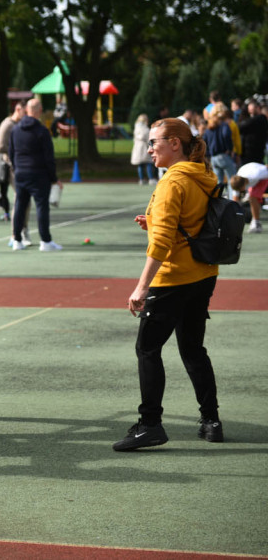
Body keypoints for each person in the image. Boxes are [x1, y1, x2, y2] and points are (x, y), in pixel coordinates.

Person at [117, 117, 224, 451]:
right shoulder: (204, 174)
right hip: (203, 273)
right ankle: (211, 420)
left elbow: (161, 244)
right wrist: (155, 220)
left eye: (154, 142)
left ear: (175, 143)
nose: (149, 149)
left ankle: (150, 424)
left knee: (147, 348)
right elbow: (191, 218)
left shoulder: (171, 183)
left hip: (173, 278)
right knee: (193, 348)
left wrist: (141, 286)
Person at [8, 98, 63, 251]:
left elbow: (11, 152)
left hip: (20, 173)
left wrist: (17, 167)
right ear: (39, 111)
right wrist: (53, 178)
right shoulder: (42, 131)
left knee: (20, 206)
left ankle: (17, 240)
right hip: (38, 174)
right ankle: (45, 241)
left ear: (26, 110)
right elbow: (48, 158)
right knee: (41, 207)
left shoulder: (16, 129)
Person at [0, 101, 30, 245]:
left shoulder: (20, 125)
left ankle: (23, 230)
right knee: (21, 199)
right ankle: (17, 233)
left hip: (21, 165)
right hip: (11, 166)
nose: (26, 115)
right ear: (18, 109)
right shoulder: (8, 125)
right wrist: (18, 151)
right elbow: (0, 147)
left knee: (25, 199)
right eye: (25, 111)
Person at [231, 162, 268, 234]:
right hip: (251, 171)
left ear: (244, 185)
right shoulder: (237, 180)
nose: (240, 192)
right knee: (251, 198)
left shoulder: (257, 174)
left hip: (263, 176)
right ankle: (256, 221)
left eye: (240, 190)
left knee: (252, 197)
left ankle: (256, 224)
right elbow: (235, 200)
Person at [205, 105, 236, 185]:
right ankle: (232, 197)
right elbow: (226, 135)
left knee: (218, 183)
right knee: (232, 181)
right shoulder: (224, 125)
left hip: (213, 158)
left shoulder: (209, 126)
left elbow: (204, 140)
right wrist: (230, 149)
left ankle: (218, 197)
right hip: (223, 155)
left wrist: (208, 154)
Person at [238, 100, 267, 165]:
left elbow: (241, 127)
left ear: (258, 108)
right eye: (249, 109)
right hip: (247, 153)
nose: (250, 111)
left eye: (252, 109)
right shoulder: (250, 120)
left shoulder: (261, 119)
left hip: (255, 153)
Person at [131, 114, 157, 185]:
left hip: (137, 147)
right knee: (148, 163)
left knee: (140, 164)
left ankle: (141, 179)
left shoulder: (136, 127)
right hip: (144, 147)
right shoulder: (144, 128)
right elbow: (146, 137)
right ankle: (151, 178)